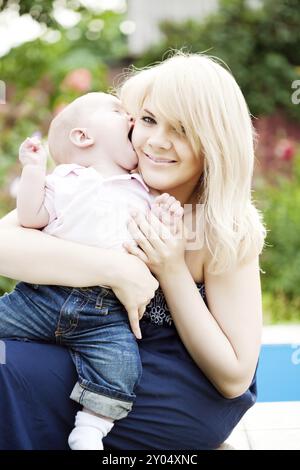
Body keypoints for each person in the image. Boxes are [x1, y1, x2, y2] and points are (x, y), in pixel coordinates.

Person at [0, 51, 266, 450]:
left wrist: (171, 269)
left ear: (214, 142)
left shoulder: (220, 224)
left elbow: (233, 377)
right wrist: (116, 269)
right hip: (85, 350)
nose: (157, 142)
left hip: (178, 384)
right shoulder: (109, 187)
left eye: (181, 129)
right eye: (147, 120)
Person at [0, 91, 184, 450]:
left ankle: (90, 427)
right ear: (83, 136)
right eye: (119, 112)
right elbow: (30, 216)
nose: (131, 120)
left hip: (106, 312)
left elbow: (151, 246)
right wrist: (34, 171)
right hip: (42, 296)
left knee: (122, 367)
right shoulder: (65, 180)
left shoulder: (143, 190)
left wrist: (165, 218)